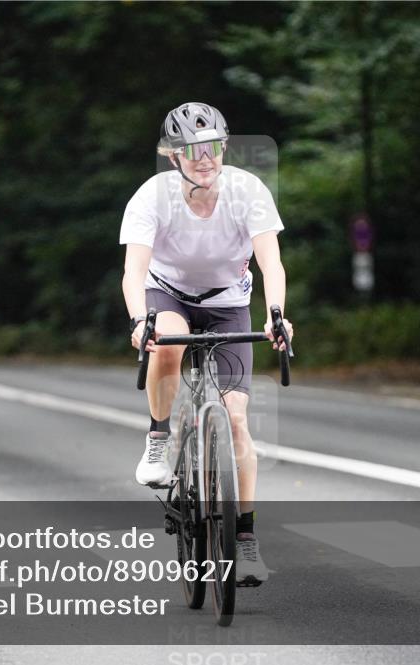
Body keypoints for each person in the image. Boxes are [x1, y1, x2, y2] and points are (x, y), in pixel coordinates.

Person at [120, 102, 293, 586]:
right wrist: (141, 320)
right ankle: (158, 439)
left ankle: (245, 539)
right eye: (193, 150)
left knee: (237, 420)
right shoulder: (152, 197)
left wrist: (276, 315)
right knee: (169, 340)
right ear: (173, 155)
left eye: (213, 147)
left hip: (227, 302)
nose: (205, 158)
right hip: (166, 292)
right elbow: (133, 271)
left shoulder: (247, 191)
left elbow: (270, 265)